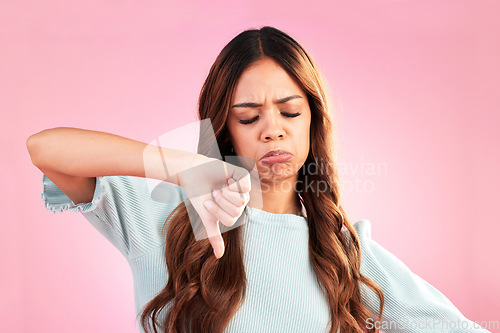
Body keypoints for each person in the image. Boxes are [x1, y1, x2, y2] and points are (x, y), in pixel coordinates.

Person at [26, 26, 490, 333]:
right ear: (224, 128)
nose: (273, 129)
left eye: (290, 111)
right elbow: (45, 150)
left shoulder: (343, 250)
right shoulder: (161, 213)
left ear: (313, 121)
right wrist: (184, 167)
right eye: (248, 117)